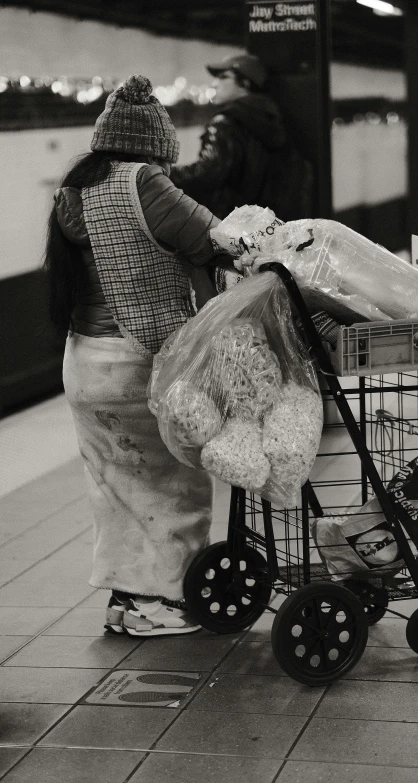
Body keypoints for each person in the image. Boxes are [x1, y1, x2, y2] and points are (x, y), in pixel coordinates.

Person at [43, 74, 229, 637]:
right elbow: (213, 237)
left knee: (118, 488)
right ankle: (165, 603)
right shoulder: (143, 183)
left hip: (85, 363)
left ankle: (126, 601)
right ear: (154, 145)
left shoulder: (73, 190)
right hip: (137, 364)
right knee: (173, 482)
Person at [170, 52, 289, 219]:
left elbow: (207, 173)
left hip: (228, 223)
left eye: (224, 77)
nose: (214, 84)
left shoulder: (225, 123)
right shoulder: (270, 119)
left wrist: (164, 173)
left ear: (245, 83)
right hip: (263, 221)